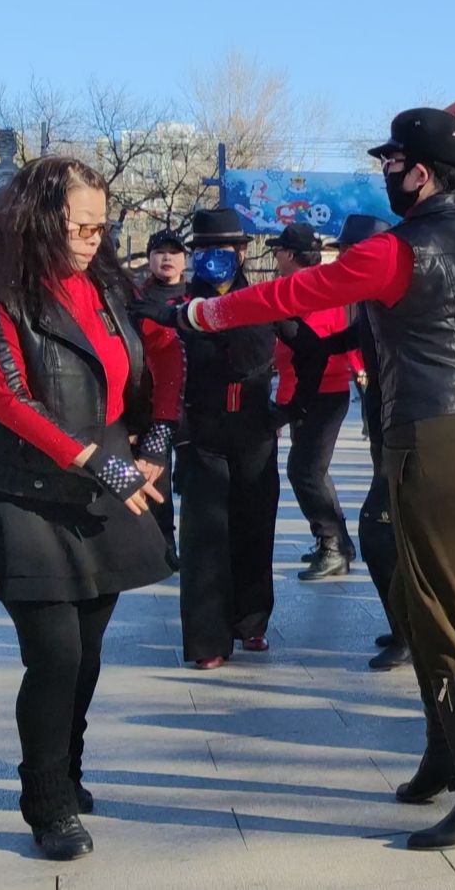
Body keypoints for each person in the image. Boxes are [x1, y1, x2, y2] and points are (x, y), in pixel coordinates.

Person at [139, 108, 455, 850]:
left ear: (421, 172)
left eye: (392, 162)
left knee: (441, 616)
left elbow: (289, 296)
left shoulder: (400, 250)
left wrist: (206, 312)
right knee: (417, 597)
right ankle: (443, 756)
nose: (385, 174)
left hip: (433, 444)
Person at [0, 157, 179, 860]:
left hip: (103, 481)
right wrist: (90, 456)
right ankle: (43, 798)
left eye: (102, 225)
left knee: (90, 649)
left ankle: (68, 769)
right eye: (81, 226)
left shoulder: (104, 283)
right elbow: (9, 397)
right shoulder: (5, 288)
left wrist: (159, 428)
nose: (94, 239)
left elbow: (160, 348)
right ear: (40, 219)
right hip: (27, 488)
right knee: (56, 653)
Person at [162, 207, 284, 670]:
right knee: (204, 535)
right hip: (202, 428)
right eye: (208, 249)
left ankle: (250, 622)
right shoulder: (179, 307)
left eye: (227, 249)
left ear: (243, 252)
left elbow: (305, 346)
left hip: (254, 426)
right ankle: (207, 639)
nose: (217, 257)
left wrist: (290, 407)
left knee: (255, 526)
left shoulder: (263, 299)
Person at [300, 213, 411, 670]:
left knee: (383, 531)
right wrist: (317, 345)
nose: (345, 259)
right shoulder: (370, 301)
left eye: (350, 251)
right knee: (388, 531)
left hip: (409, 425)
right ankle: (404, 623)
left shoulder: (401, 298)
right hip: (384, 420)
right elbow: (356, 336)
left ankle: (410, 632)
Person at [264, 222, 361, 580]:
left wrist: (289, 407)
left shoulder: (314, 288)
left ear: (289, 255)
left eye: (276, 251)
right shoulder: (300, 287)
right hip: (308, 391)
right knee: (312, 470)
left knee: (304, 471)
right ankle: (337, 541)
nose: (274, 257)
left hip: (321, 392)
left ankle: (333, 546)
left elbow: (312, 351)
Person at [137, 229, 188, 556]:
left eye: (174, 251)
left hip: (195, 401)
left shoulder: (199, 296)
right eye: (159, 251)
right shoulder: (134, 298)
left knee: (194, 475)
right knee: (156, 473)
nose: (167, 258)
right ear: (149, 258)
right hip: (151, 404)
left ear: (185, 259)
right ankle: (161, 543)